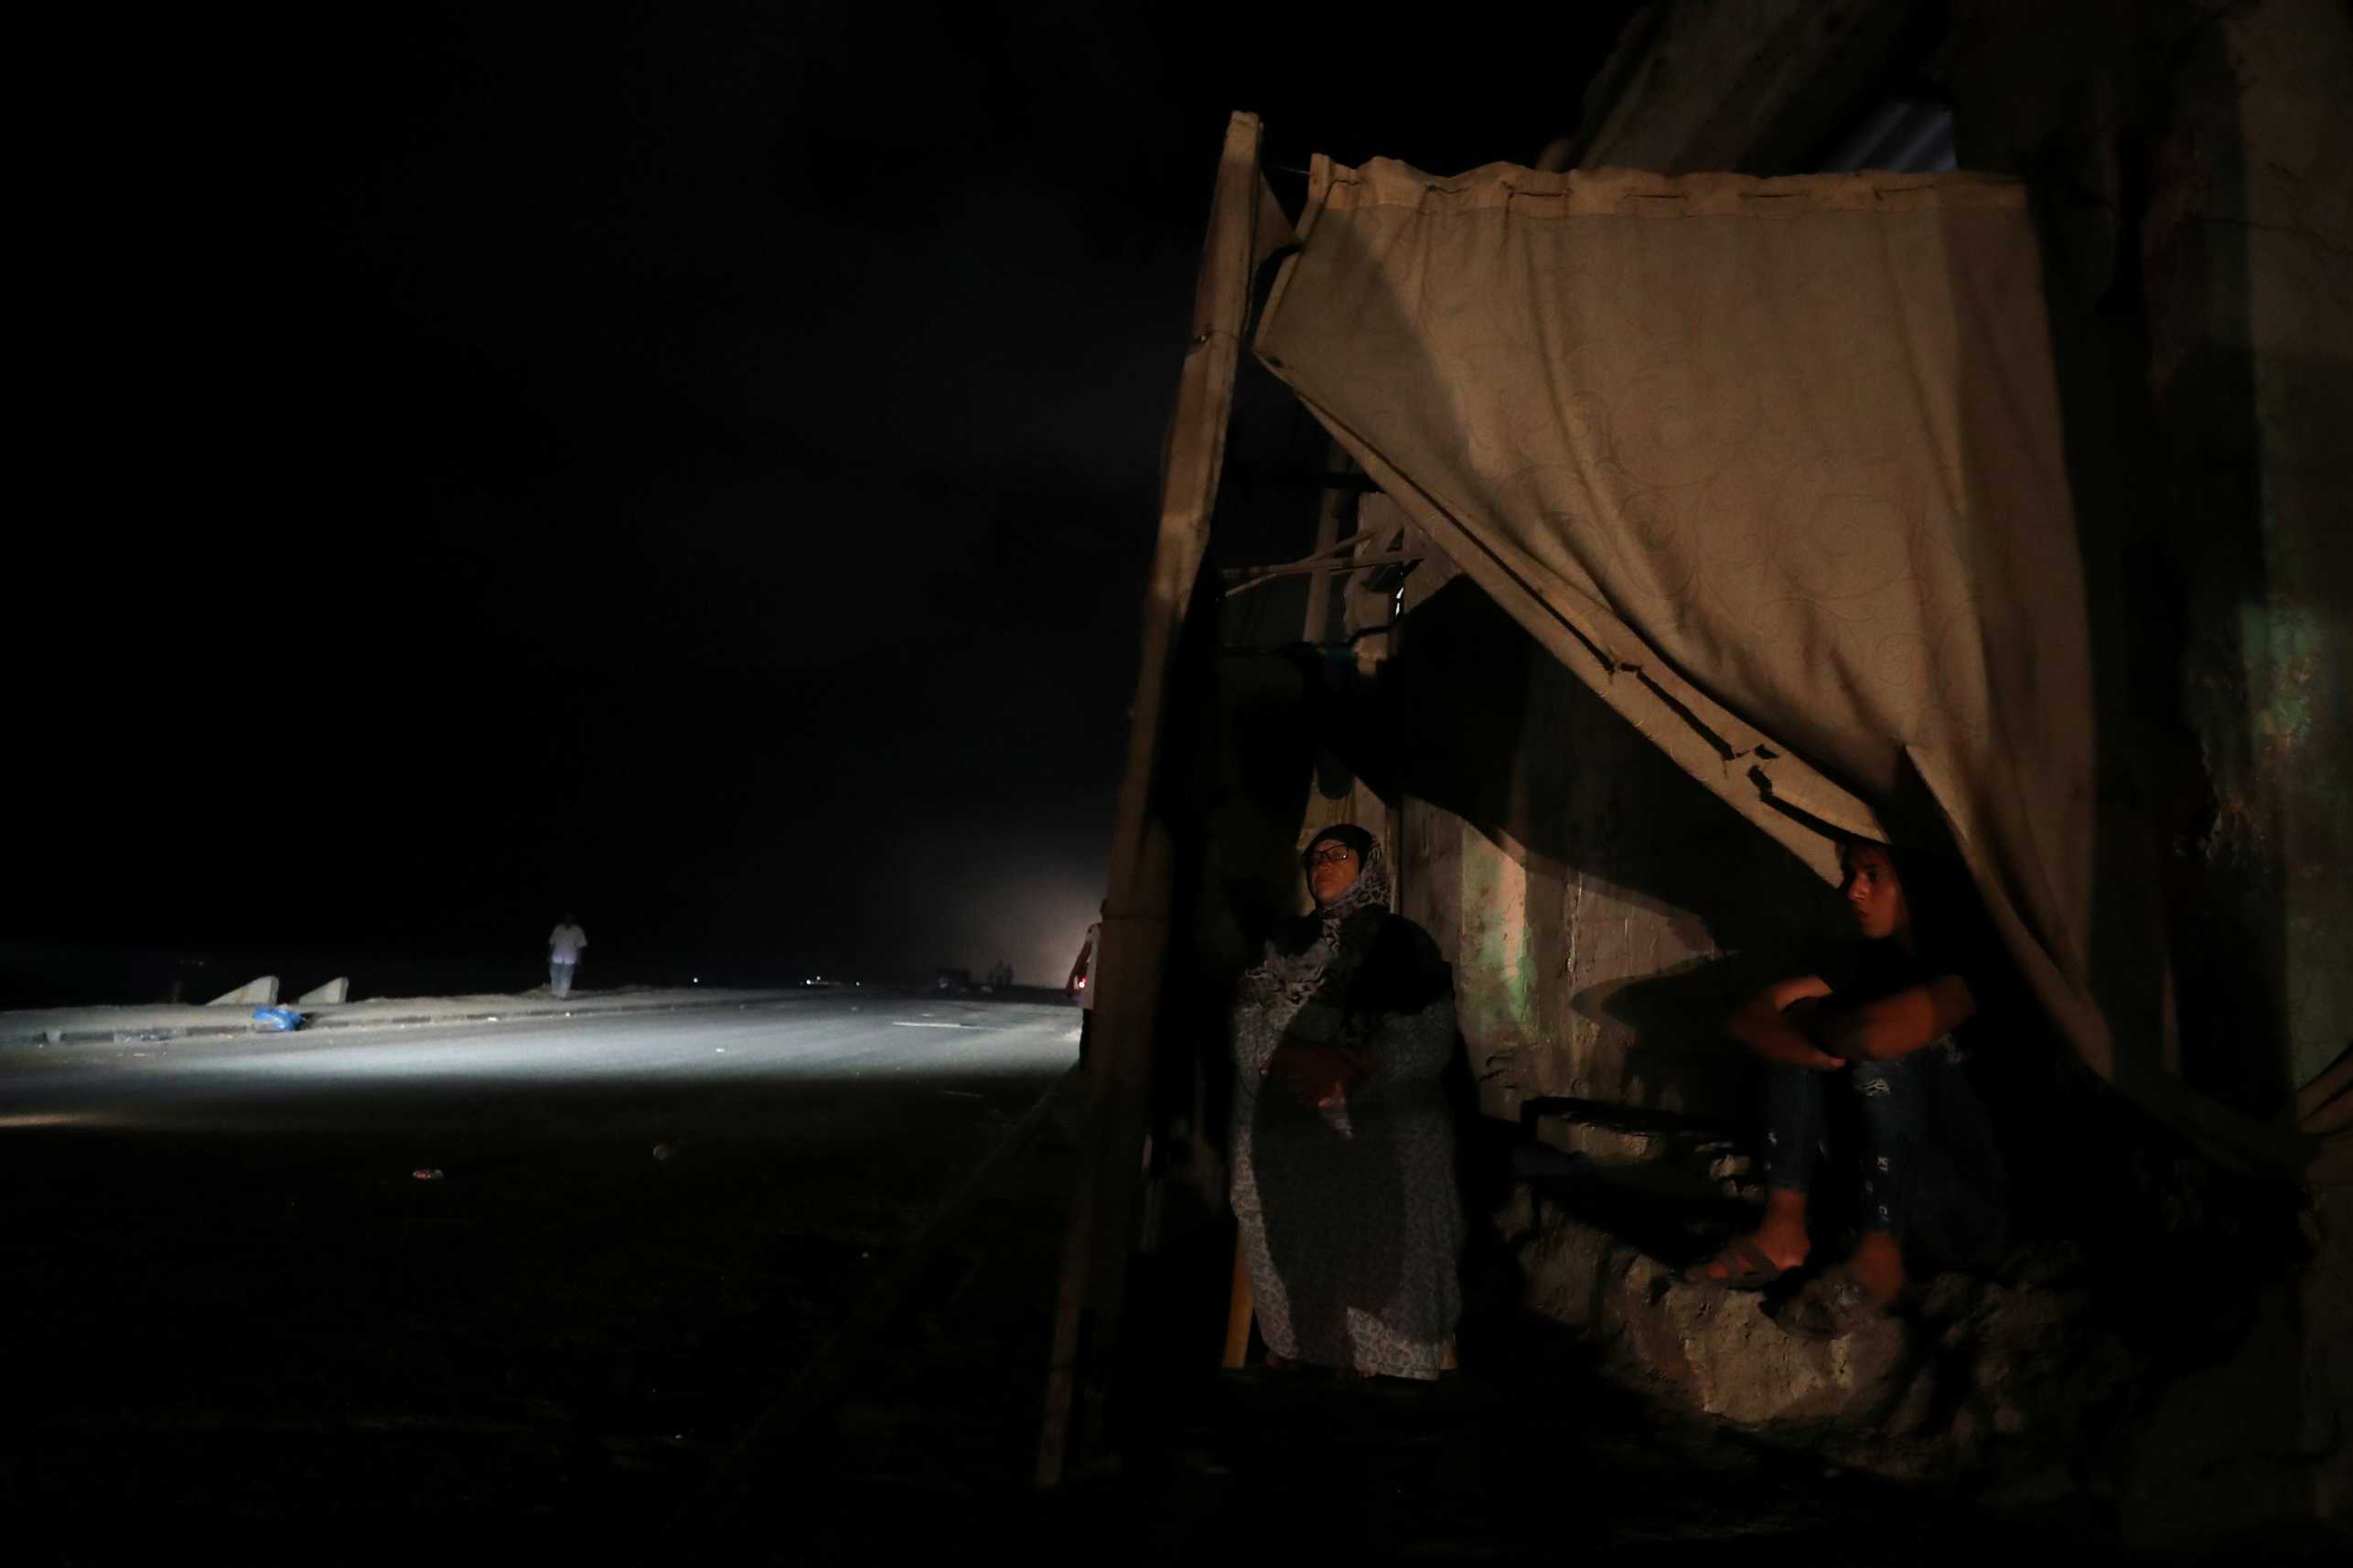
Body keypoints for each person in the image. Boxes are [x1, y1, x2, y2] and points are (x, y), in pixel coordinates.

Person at [1688, 839, 2009, 1339]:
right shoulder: (1871, 962)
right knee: (1798, 1030)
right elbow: (1751, 1017)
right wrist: (1807, 1039)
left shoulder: (1970, 962)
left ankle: (1881, 1258)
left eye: (1873, 875)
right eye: (1849, 873)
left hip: (1969, 1208)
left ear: (1915, 884)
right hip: (1883, 1184)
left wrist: (1820, 1024)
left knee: (1869, 1047)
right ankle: (1783, 1232)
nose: (1852, 890)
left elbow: (1877, 1037)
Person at [1228, 823, 1463, 1380]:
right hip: (1289, 1096)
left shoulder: (1406, 945)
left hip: (1373, 1101)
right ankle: (1296, 1336)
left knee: (1391, 1162)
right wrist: (1286, 1062)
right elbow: (1246, 1021)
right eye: (1315, 858)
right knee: (1260, 1168)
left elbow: (1429, 1038)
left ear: (1370, 864)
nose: (1323, 865)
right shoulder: (1283, 945)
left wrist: (1354, 1070)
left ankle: (1376, 1349)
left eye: (1339, 854)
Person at [1067, 901, 1104, 1068]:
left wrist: (1071, 978)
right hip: (1096, 985)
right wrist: (1071, 978)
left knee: (1091, 1027)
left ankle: (1089, 1064)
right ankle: (1087, 1064)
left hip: (1105, 986)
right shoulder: (1095, 930)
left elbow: (1083, 956)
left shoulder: (1096, 930)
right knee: (1089, 1025)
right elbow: (1083, 956)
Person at [547, 913, 588, 999]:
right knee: (554, 975)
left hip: (570, 957)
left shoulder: (578, 930)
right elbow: (552, 942)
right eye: (566, 918)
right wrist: (549, 955)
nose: (568, 919)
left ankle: (562, 995)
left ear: (573, 919)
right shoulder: (558, 928)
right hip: (557, 956)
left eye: (570, 918)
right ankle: (555, 993)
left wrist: (579, 959)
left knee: (566, 977)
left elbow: (580, 946)